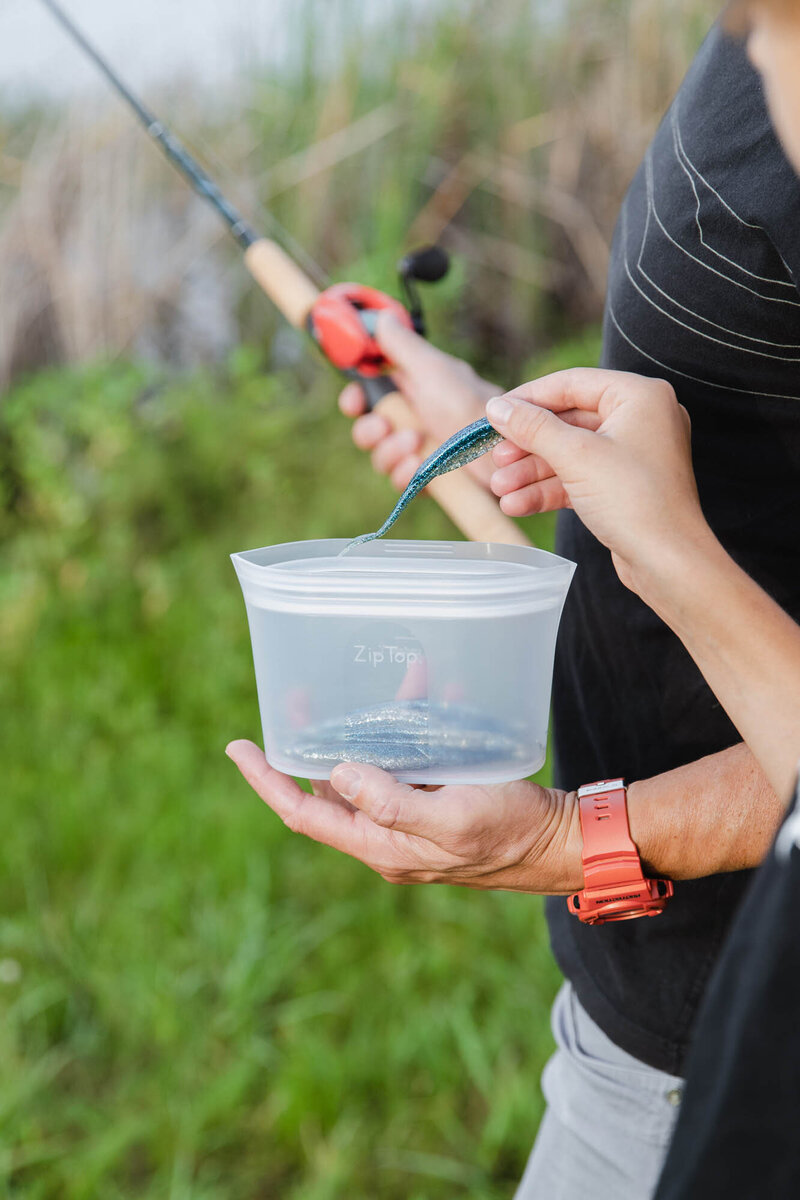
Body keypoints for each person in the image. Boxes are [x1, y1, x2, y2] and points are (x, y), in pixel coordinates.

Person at [227, 6, 800, 1197]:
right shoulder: (753, 38)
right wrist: (475, 416)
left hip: (729, 1053)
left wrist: (567, 842)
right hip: (637, 1007)